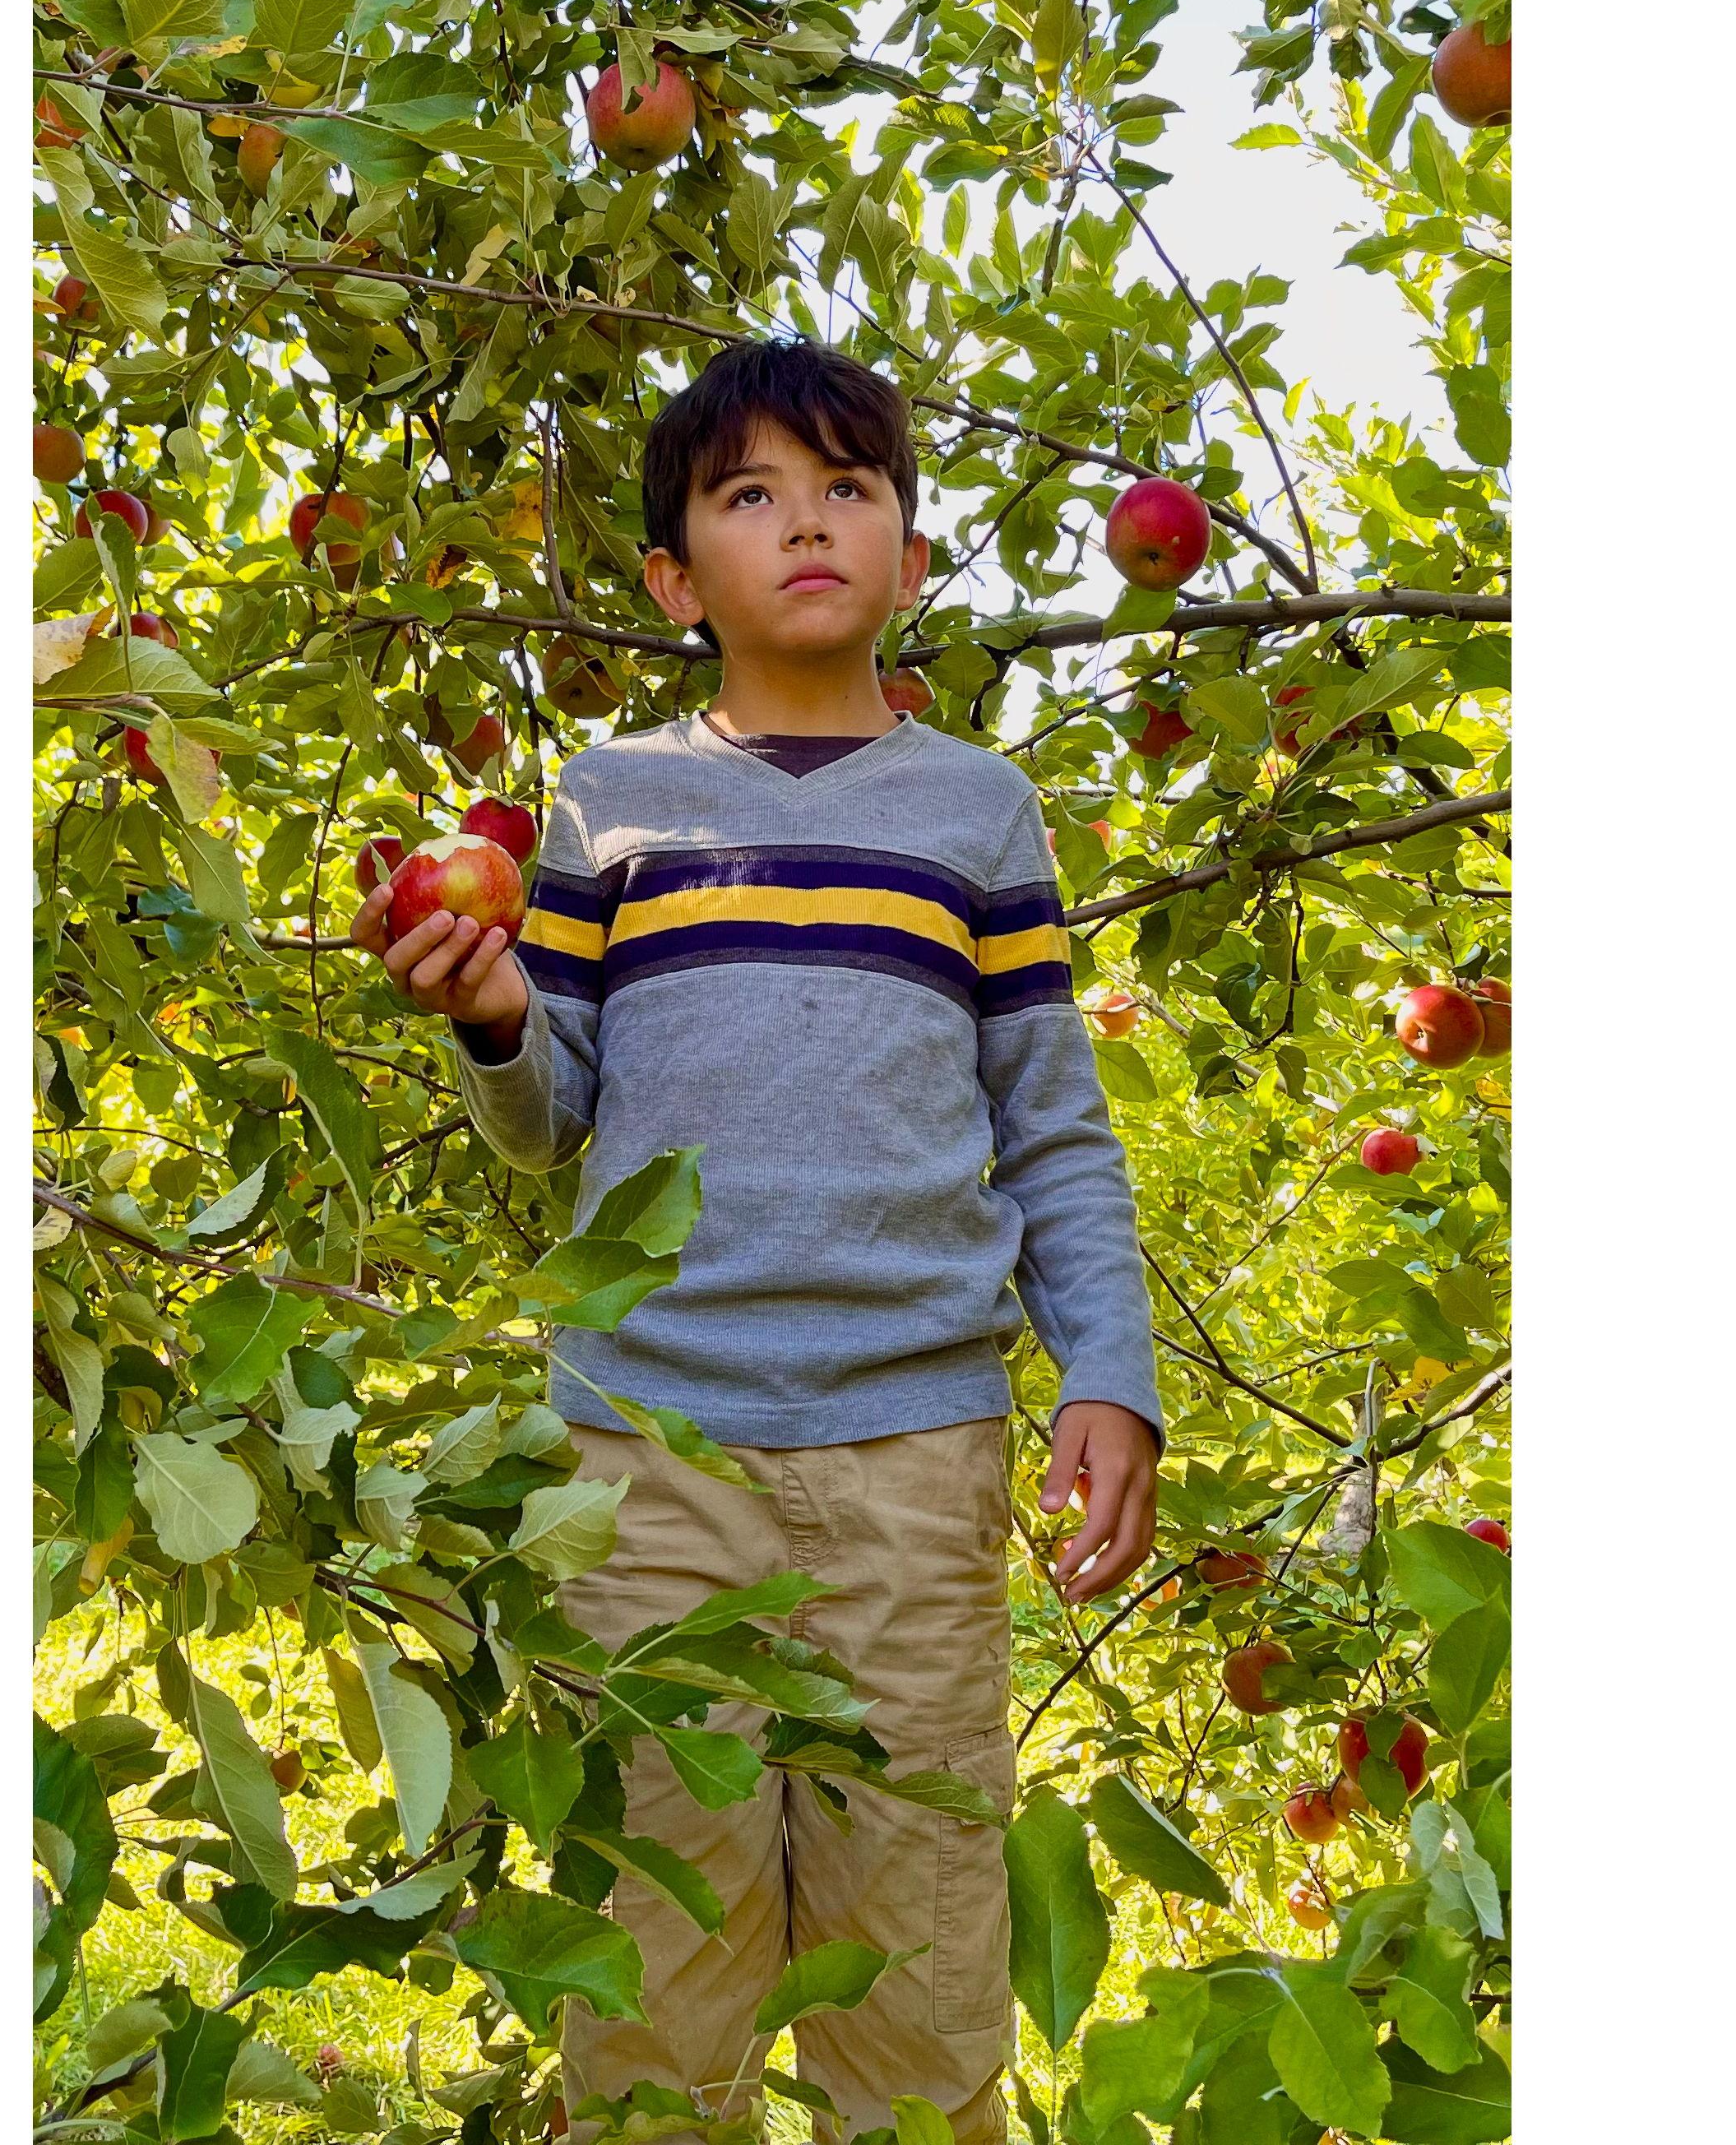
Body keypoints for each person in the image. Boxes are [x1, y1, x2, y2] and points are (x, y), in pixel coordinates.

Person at [351, 341, 1165, 2145]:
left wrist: (1110, 1373)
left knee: (916, 1962)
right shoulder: (606, 805)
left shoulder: (977, 813)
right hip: (649, 1460)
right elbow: (548, 1122)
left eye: (846, 488)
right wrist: (491, 1016)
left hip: (914, 1458)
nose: (806, 522)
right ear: (674, 579)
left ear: (911, 557)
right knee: (657, 1959)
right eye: (750, 495)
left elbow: (1053, 1125)